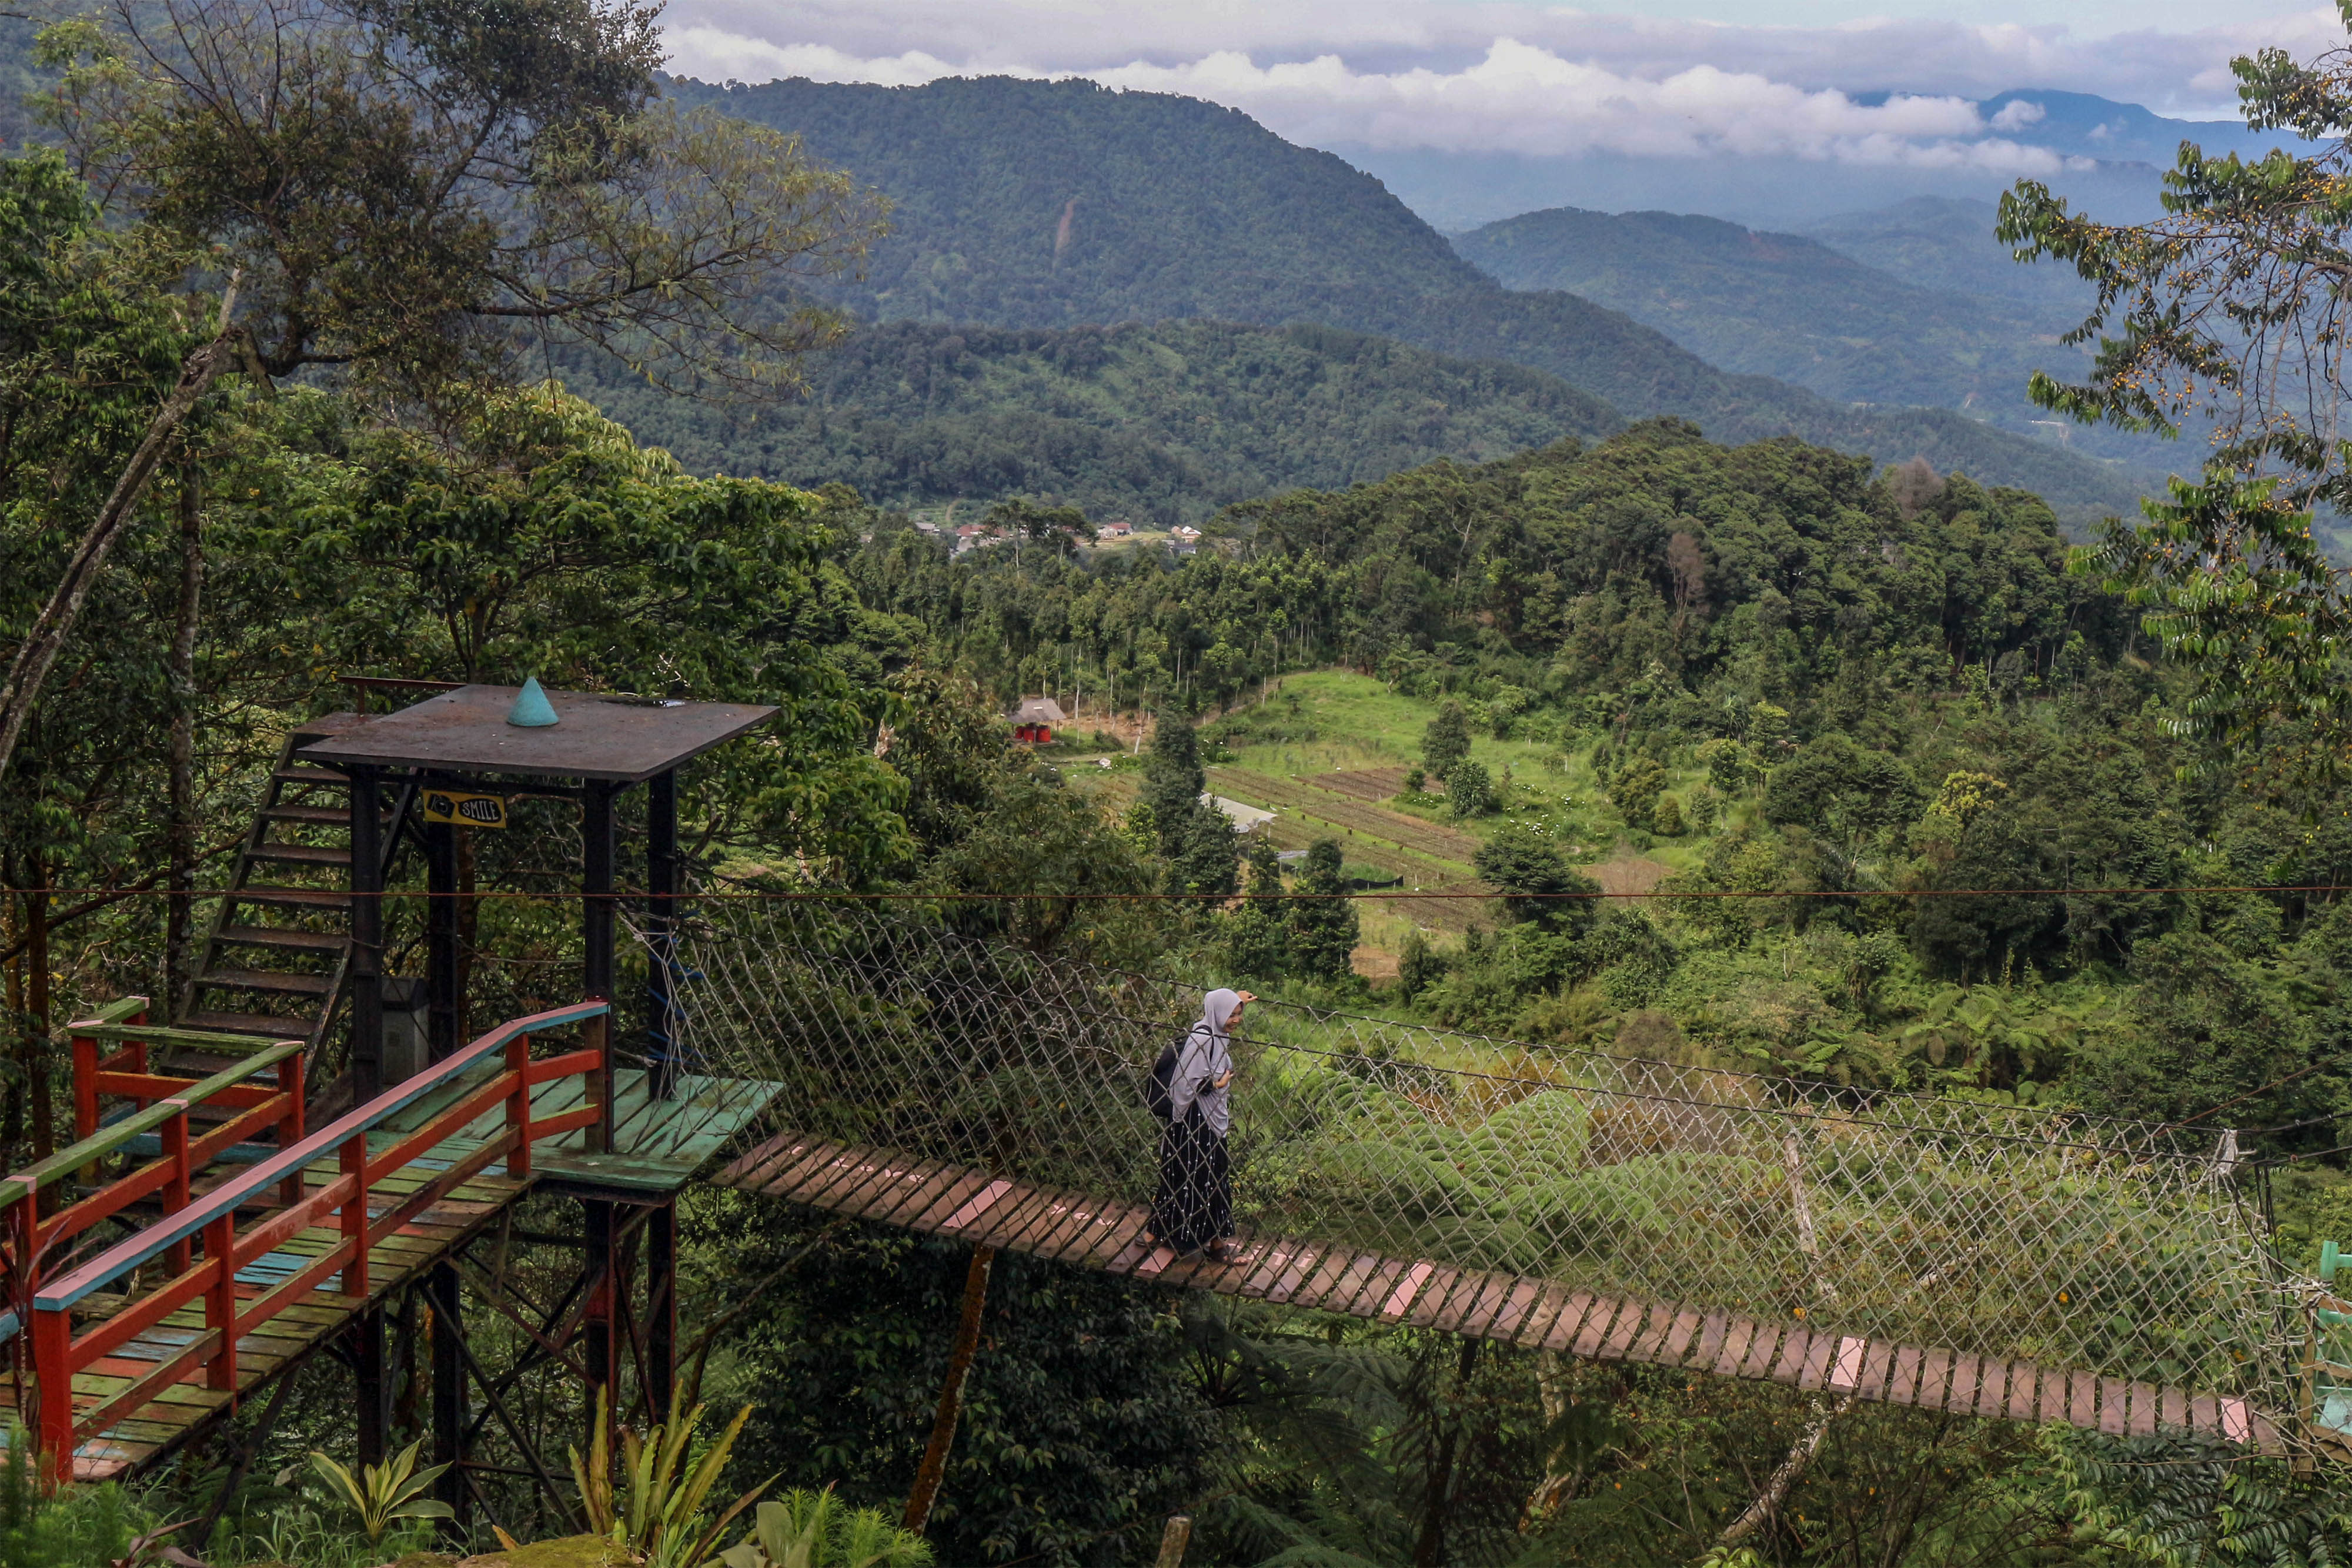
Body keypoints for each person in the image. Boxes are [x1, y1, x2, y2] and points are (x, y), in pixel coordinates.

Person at [1150, 987, 1253, 1262]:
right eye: (1231, 1014)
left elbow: (1218, 1009)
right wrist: (1217, 1084)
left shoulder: (1213, 1032)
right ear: (1218, 1013)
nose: (1236, 1020)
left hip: (1206, 1122)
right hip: (1196, 1123)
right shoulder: (1203, 1038)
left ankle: (1164, 1235)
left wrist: (1237, 1000)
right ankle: (1201, 1244)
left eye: (1238, 1014)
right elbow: (1186, 1083)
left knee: (1199, 1179)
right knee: (1200, 1180)